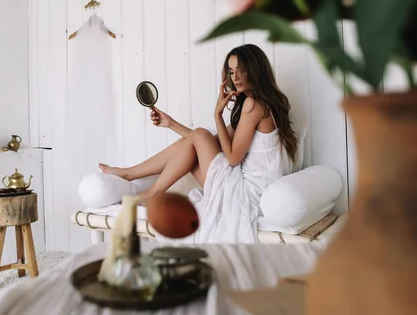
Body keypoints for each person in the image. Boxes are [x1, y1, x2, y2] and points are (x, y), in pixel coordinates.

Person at [98, 43, 298, 242]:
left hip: (245, 195)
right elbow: (212, 142)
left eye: (241, 70)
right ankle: (129, 174)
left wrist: (217, 114)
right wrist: (170, 124)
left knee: (198, 135)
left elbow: (232, 158)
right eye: (231, 71)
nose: (235, 77)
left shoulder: (253, 104)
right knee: (194, 139)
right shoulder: (259, 102)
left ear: (256, 70)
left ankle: (151, 189)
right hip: (244, 186)